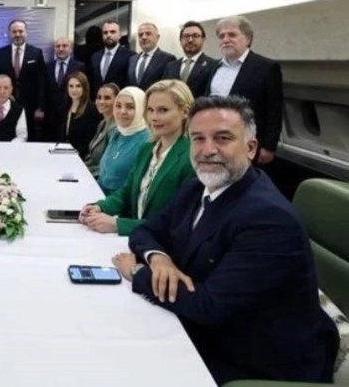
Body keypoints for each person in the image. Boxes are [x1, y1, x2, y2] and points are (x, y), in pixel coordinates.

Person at [111, 95, 338, 385]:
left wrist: (138, 272)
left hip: (253, 361)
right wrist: (159, 259)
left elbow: (210, 307)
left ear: (251, 148)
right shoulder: (196, 188)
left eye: (223, 138)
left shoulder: (268, 218)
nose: (208, 150)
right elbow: (146, 231)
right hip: (207, 330)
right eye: (198, 139)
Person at [82, 80, 195, 235]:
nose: (154, 117)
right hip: (137, 239)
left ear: (185, 112)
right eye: (150, 110)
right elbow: (127, 191)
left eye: (163, 110)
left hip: (161, 244)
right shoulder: (147, 149)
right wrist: (101, 206)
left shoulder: (191, 157)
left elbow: (176, 221)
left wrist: (119, 225)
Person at [207, 15, 283, 165]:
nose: (226, 40)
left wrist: (269, 146)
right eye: (221, 36)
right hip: (214, 138)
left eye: (232, 35)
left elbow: (274, 110)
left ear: (248, 39)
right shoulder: (214, 66)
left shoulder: (266, 67)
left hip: (246, 141)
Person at [0, 20, 46, 140]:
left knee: (29, 136)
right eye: (14, 31)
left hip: (30, 106)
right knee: (6, 134)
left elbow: (41, 82)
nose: (17, 34)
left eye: (20, 31)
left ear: (26, 32)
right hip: (6, 103)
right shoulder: (0, 53)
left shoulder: (36, 53)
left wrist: (40, 107)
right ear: (9, 33)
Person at [95, 86, 150, 195]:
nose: (122, 111)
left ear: (141, 109)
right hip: (99, 195)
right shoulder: (116, 132)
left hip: (120, 202)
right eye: (118, 106)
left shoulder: (147, 140)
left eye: (130, 107)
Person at [162, 21, 218, 98]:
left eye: (195, 36)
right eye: (186, 36)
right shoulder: (170, 66)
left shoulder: (213, 65)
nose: (190, 40)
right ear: (180, 40)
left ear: (203, 39)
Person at [45, 37, 86, 141]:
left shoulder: (80, 66)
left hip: (71, 109)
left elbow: (84, 88)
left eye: (64, 46)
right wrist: (40, 108)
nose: (61, 49)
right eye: (58, 46)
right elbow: (43, 88)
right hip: (50, 112)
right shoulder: (47, 66)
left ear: (71, 48)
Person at [55, 71, 101, 159]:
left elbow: (90, 140)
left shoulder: (92, 110)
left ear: (85, 88)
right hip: (62, 154)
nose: (74, 90)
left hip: (81, 157)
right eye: (71, 86)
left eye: (78, 86)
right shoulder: (63, 109)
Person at [90, 20, 134, 97]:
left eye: (112, 32)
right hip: (99, 100)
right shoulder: (95, 57)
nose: (108, 35)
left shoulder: (130, 56)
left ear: (120, 35)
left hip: (119, 100)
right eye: (105, 32)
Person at [83, 83, 120, 177]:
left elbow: (108, 165)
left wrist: (84, 172)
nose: (101, 102)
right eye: (99, 97)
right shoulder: (102, 123)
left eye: (107, 98)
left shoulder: (116, 129)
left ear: (117, 101)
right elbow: (92, 157)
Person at [127, 23, 176, 90]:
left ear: (157, 37)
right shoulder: (132, 59)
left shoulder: (168, 59)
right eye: (140, 35)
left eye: (148, 34)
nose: (144, 37)